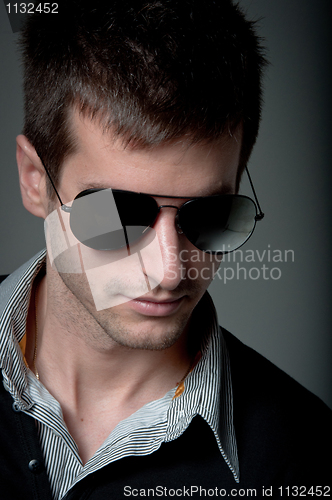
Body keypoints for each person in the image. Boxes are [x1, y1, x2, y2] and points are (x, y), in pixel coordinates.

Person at [0, 1, 331, 499]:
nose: (170, 270)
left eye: (211, 216)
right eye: (117, 214)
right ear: (35, 181)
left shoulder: (305, 455)